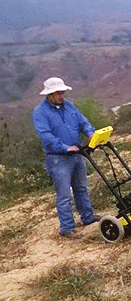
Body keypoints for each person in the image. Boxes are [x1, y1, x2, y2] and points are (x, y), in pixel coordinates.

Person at [32, 77, 100, 239]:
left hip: (77, 154)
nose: (62, 95)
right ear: (49, 95)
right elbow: (45, 136)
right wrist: (65, 147)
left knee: (81, 188)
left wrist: (91, 133)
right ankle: (67, 229)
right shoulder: (40, 112)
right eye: (58, 93)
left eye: (63, 92)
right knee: (64, 194)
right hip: (58, 158)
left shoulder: (69, 106)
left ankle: (88, 218)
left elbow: (83, 122)